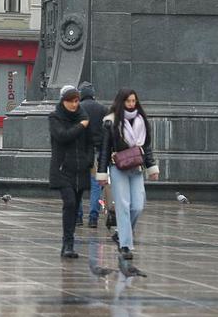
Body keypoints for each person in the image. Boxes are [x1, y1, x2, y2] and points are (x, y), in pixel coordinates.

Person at [97, 88, 159, 264]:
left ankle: (121, 234)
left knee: (138, 206)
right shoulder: (110, 122)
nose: (131, 104)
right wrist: (102, 173)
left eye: (133, 101)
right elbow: (104, 149)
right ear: (121, 102)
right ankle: (125, 246)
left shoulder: (141, 120)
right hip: (118, 167)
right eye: (128, 101)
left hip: (137, 168)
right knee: (123, 205)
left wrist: (151, 166)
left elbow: (146, 147)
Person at [48, 85, 93, 259]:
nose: (74, 105)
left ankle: (69, 243)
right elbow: (62, 136)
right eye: (70, 101)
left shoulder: (84, 116)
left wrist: (88, 159)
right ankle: (67, 243)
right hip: (62, 168)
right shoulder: (55, 117)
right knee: (70, 203)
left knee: (75, 206)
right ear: (63, 101)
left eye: (76, 101)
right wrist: (80, 127)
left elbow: (90, 142)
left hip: (80, 169)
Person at [76, 81, 106, 228]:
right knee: (95, 185)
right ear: (93, 94)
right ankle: (93, 217)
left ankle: (78, 216)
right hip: (96, 153)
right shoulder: (102, 109)